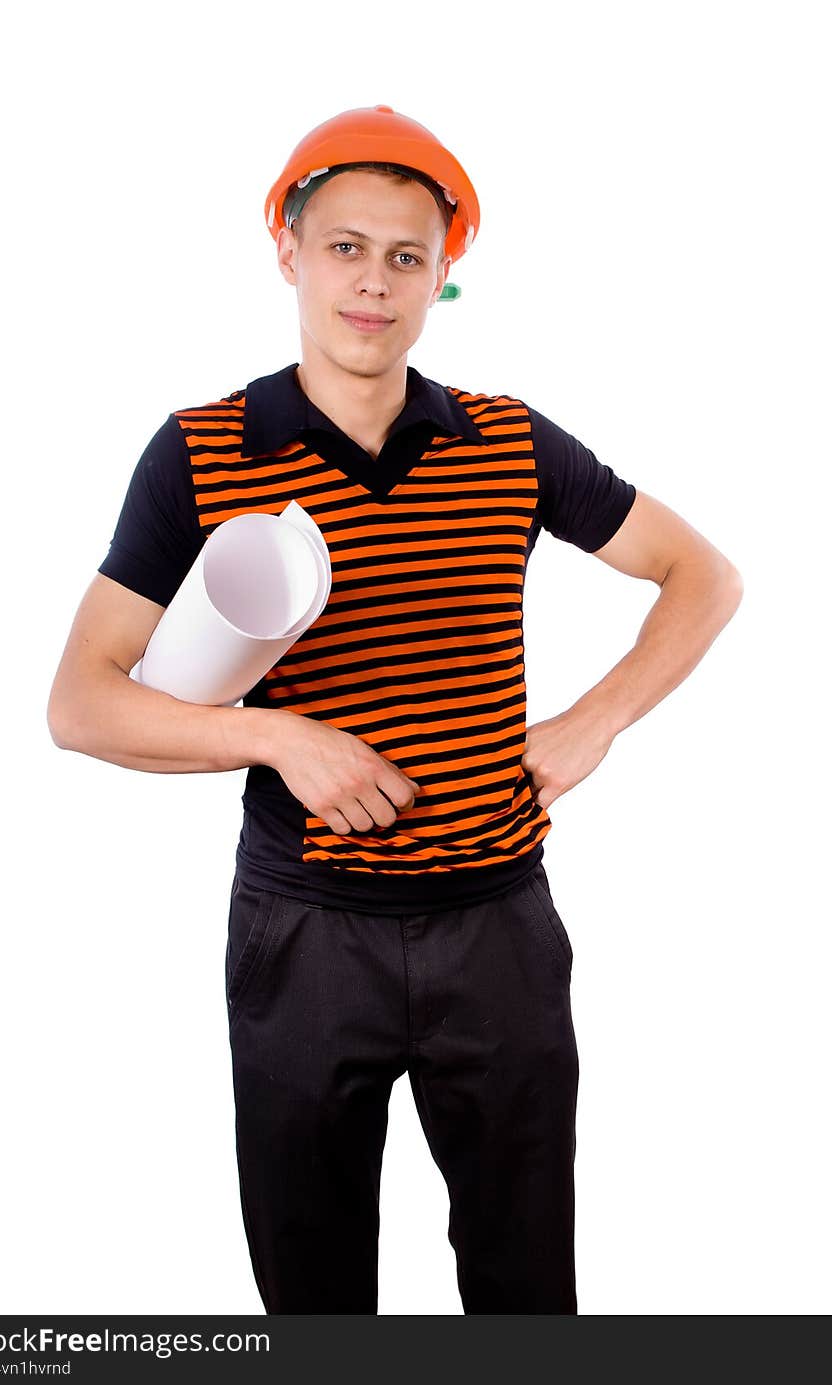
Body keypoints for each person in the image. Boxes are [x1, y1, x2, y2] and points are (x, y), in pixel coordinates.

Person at [47, 104, 743, 1315]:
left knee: (526, 1290)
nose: (374, 284)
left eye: (407, 257)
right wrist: (272, 734)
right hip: (305, 936)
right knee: (314, 1299)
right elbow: (81, 703)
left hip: (500, 928)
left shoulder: (509, 440)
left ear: (444, 276)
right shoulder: (205, 451)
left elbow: (704, 575)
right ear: (289, 252)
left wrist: (592, 722)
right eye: (346, 247)